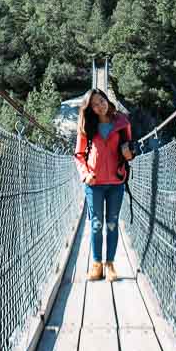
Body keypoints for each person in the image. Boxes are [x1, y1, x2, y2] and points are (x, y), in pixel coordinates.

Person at [74, 88, 135, 281]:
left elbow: (130, 150)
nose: (99, 106)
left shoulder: (122, 122)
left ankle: (110, 264)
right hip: (94, 183)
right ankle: (97, 264)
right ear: (90, 108)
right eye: (94, 104)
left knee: (111, 224)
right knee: (96, 224)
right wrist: (85, 174)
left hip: (116, 182)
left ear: (107, 100)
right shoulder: (87, 127)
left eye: (101, 101)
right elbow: (79, 155)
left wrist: (129, 154)